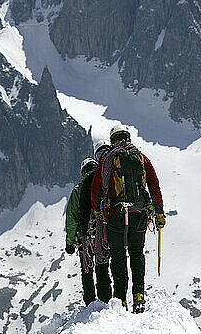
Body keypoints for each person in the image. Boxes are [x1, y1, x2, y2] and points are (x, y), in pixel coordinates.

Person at [91, 124, 165, 313]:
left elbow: (96, 188)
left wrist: (99, 211)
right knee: (136, 253)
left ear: (112, 139)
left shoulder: (107, 159)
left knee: (118, 255)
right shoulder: (141, 157)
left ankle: (120, 298)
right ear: (128, 137)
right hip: (139, 214)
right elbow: (154, 185)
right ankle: (139, 295)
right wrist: (159, 213)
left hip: (116, 215)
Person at [65, 157, 112, 306]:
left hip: (84, 236)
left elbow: (72, 218)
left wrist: (69, 242)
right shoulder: (104, 185)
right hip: (103, 233)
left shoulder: (78, 190)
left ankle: (90, 301)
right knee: (102, 265)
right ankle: (105, 299)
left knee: (86, 269)